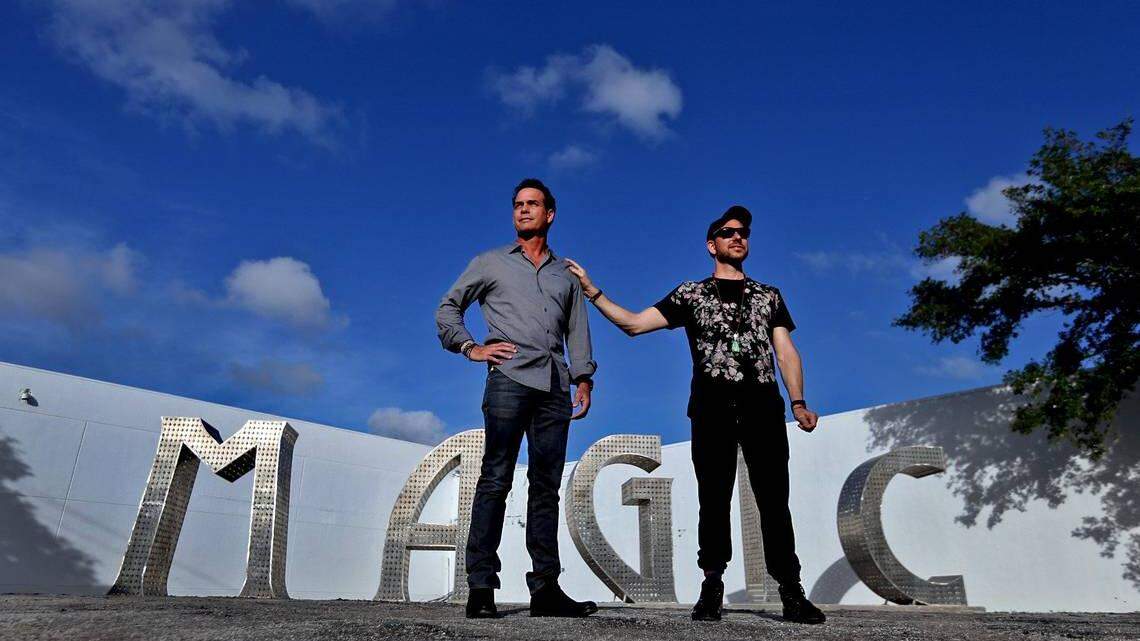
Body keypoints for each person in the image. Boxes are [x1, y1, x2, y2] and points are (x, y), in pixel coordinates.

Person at [565, 205, 826, 624]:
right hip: (712, 408)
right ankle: (712, 587)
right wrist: (592, 291)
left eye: (743, 232)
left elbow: (786, 351)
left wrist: (798, 402)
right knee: (714, 498)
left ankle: (791, 591)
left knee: (775, 501)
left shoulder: (769, 295)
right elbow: (633, 324)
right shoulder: (691, 293)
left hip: (763, 406)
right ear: (712, 244)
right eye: (727, 232)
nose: (737, 237)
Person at [435, 178, 599, 619]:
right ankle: (481, 588)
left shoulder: (566, 275)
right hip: (508, 379)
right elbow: (448, 307)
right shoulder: (489, 263)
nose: (523, 211)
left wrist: (583, 379)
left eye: (533, 204)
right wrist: (472, 347)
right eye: (517, 205)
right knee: (496, 480)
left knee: (546, 488)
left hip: (554, 389)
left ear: (550, 214)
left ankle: (546, 590)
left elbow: (577, 331)